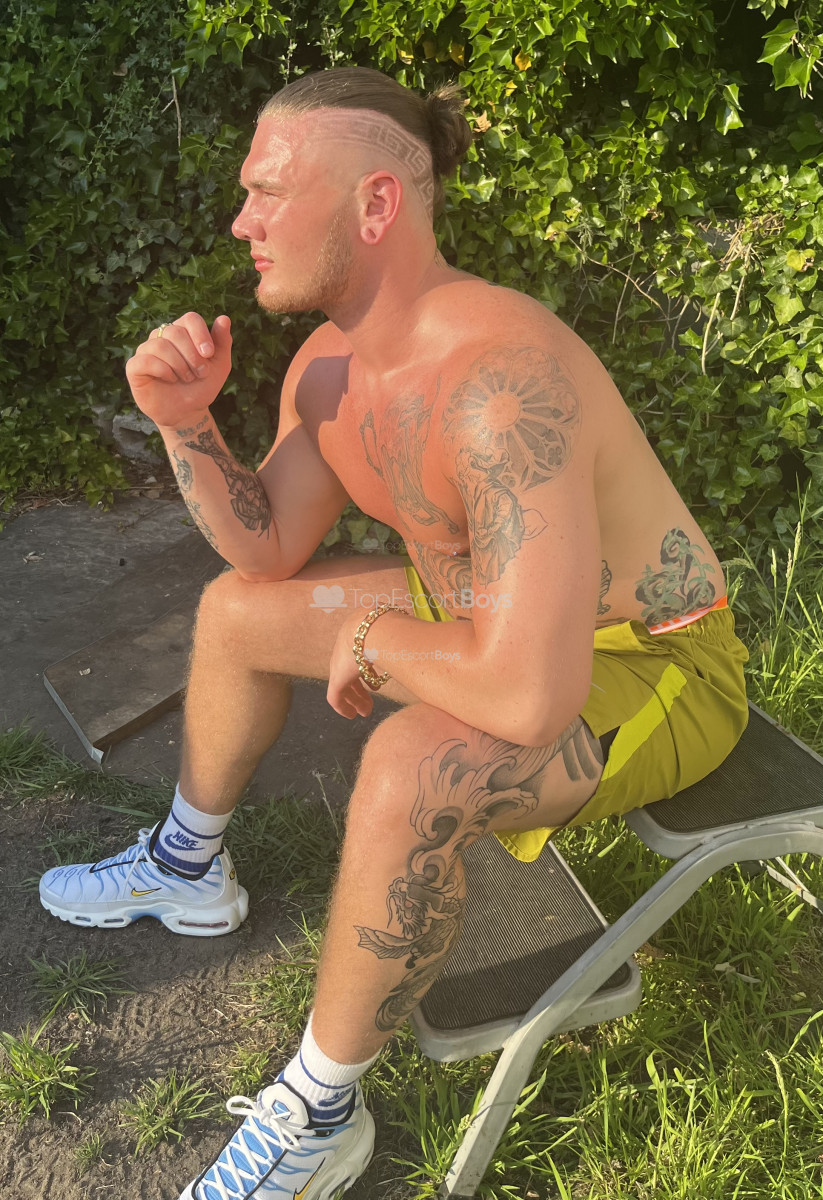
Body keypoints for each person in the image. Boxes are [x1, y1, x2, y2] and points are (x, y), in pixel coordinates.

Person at [38, 66, 749, 1200]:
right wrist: (185, 425)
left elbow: (528, 699)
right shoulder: (327, 367)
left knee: (417, 763)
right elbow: (267, 548)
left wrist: (377, 637)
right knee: (236, 615)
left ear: (375, 205)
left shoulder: (499, 386)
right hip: (483, 617)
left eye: (269, 192)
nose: (241, 222)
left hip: (649, 659)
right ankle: (184, 867)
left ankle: (320, 1111)